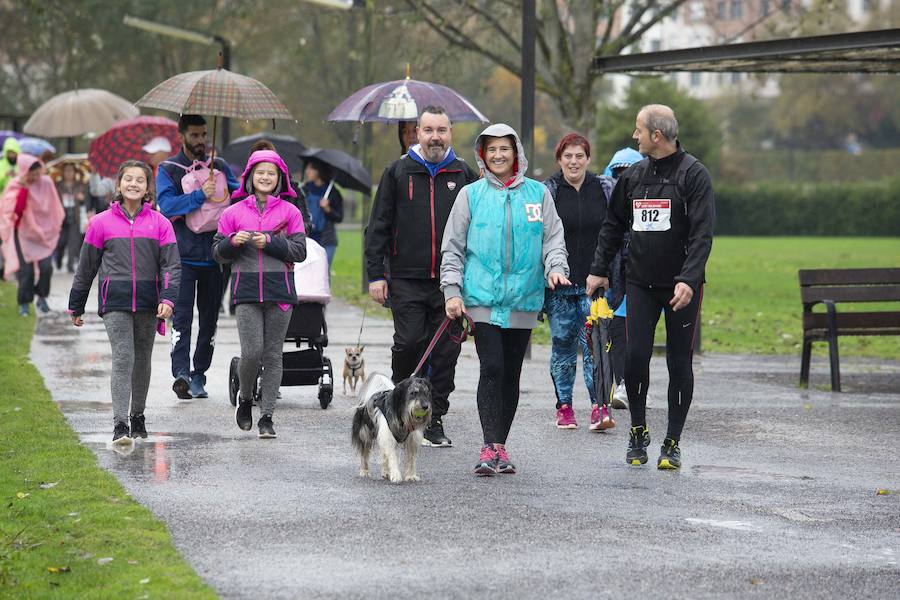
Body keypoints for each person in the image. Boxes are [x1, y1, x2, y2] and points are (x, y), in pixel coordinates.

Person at [586, 104, 715, 470]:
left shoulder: (694, 175)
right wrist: (598, 270)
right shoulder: (633, 176)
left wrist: (689, 279)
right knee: (635, 356)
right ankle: (638, 431)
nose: (634, 135)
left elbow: (703, 234)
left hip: (681, 288)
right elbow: (612, 226)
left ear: (656, 136)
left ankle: (672, 441)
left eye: (639, 130)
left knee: (679, 362)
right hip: (639, 283)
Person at [442, 123, 570, 476]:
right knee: (493, 366)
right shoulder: (470, 195)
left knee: (511, 372)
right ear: (482, 155)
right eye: (491, 149)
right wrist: (452, 291)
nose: (498, 155)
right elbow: (452, 248)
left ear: (517, 153)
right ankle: (487, 445)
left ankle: (500, 445)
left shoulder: (538, 194)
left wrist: (555, 268)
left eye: (505, 149)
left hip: (524, 300)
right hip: (481, 297)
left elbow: (553, 239)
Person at [365, 105, 479, 448]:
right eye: (428, 130)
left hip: (451, 282)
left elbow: (478, 228)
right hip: (407, 278)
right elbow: (378, 227)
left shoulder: (464, 176)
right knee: (410, 343)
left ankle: (434, 417)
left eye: (441, 130)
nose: (435, 137)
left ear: (450, 133)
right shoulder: (397, 172)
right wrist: (376, 275)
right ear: (417, 133)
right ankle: (399, 408)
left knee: (445, 353)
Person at [68, 160, 180, 444]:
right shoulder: (100, 223)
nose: (133, 184)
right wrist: (76, 303)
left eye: (140, 180)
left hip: (148, 301)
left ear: (147, 188)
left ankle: (138, 416)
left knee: (142, 360)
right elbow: (87, 267)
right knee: (123, 357)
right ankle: (120, 424)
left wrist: (168, 298)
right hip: (114, 301)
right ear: (118, 185)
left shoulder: (161, 224)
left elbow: (171, 266)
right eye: (128, 179)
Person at [212, 149, 306, 439]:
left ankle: (267, 417)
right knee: (251, 352)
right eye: (260, 172)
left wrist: (272, 243)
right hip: (247, 291)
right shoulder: (232, 212)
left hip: (280, 292)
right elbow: (217, 254)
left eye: (271, 173)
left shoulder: (291, 212)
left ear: (279, 179)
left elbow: (300, 252)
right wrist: (231, 243)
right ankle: (244, 398)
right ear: (250, 177)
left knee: (273, 354)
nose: (265, 177)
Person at [157, 114, 239, 400]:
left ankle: (199, 375)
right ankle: (180, 373)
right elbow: (166, 205)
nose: (201, 140)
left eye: (204, 134)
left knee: (209, 320)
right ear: (181, 136)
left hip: (217, 256)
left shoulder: (221, 165)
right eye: (194, 135)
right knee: (181, 318)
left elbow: (239, 197)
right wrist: (199, 197)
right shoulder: (168, 169)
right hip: (182, 256)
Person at [542, 133, 616, 431]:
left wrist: (611, 272)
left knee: (596, 346)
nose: (574, 162)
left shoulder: (604, 189)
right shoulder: (548, 191)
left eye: (579, 156)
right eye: (568, 156)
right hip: (559, 285)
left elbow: (615, 234)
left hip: (595, 284)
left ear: (588, 158)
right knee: (562, 345)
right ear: (559, 159)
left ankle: (599, 406)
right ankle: (564, 407)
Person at [602, 147, 644, 408]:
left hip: (641, 275)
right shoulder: (607, 201)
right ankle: (624, 384)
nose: (624, 177)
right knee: (617, 331)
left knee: (635, 335)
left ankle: (636, 383)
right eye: (618, 172)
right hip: (612, 277)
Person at [0, 154, 65, 316]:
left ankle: (42, 297)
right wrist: (23, 189)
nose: (35, 177)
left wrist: (52, 226)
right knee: (26, 271)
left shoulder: (47, 183)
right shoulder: (16, 185)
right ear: (23, 171)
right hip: (24, 234)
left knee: (46, 268)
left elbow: (53, 207)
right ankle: (24, 302)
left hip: (44, 233)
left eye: (38, 173)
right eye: (32, 174)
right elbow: (16, 212)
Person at [302, 158, 343, 271]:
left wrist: (328, 209)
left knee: (323, 272)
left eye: (310, 169)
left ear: (318, 171)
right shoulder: (304, 190)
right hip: (308, 239)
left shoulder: (333, 193)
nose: (307, 171)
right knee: (308, 272)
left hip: (327, 240)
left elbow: (339, 217)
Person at [54, 162, 90, 272]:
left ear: (74, 172)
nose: (68, 173)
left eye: (71, 170)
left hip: (75, 216)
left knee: (73, 242)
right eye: (66, 170)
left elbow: (86, 201)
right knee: (61, 242)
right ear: (63, 172)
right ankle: (59, 258)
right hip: (61, 217)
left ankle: (70, 265)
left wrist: (82, 198)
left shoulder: (80, 185)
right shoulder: (58, 185)